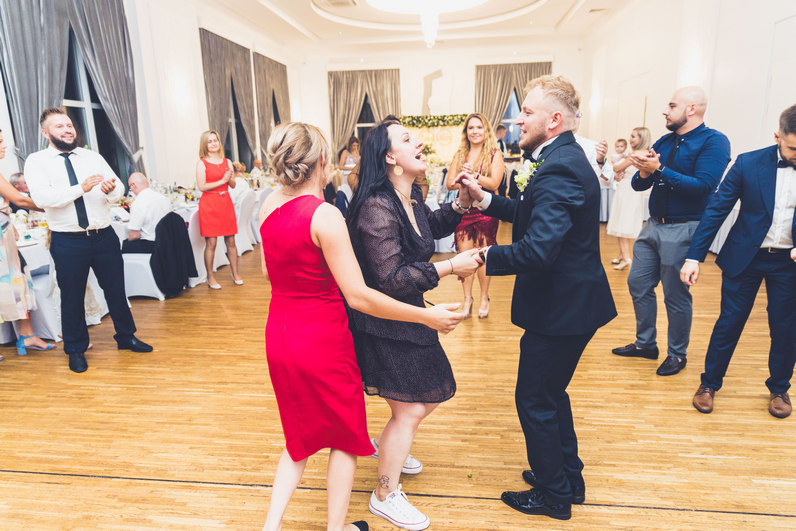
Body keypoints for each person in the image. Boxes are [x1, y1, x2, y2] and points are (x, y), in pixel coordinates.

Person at [258, 121, 466, 531]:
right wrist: (427, 316)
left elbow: (268, 272)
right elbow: (358, 296)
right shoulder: (325, 215)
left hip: (279, 333)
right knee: (344, 438)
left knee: (298, 441)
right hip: (322, 338)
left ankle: (271, 526)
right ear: (322, 160)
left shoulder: (268, 204)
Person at [457, 75, 616, 521]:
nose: (518, 119)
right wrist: (485, 200)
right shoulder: (556, 157)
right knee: (550, 394)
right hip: (568, 303)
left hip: (561, 308)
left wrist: (483, 256)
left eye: (527, 112)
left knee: (535, 399)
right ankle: (567, 477)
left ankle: (553, 495)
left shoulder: (560, 165)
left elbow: (538, 250)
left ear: (555, 118)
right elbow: (529, 212)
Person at [346, 117, 481, 530]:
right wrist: (450, 266)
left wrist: (460, 204)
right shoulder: (376, 207)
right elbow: (390, 279)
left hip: (409, 314)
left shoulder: (410, 196)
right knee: (410, 408)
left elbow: (428, 229)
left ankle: (390, 445)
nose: (418, 143)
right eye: (407, 139)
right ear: (390, 158)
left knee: (426, 396)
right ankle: (384, 495)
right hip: (383, 321)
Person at [681, 104, 796, 419]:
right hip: (746, 257)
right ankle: (709, 384)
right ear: (777, 136)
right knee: (730, 322)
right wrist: (694, 257)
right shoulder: (748, 163)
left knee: (786, 327)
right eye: (793, 148)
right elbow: (716, 209)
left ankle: (779, 388)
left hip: (788, 263)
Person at [612, 86, 731, 376]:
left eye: (672, 105)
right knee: (638, 284)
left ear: (692, 109)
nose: (665, 111)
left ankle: (677, 354)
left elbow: (704, 186)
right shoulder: (665, 141)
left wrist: (660, 170)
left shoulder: (714, 141)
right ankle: (645, 344)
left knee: (675, 295)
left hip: (684, 228)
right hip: (652, 226)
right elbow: (639, 184)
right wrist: (645, 170)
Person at [24, 108, 152, 373]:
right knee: (72, 297)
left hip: (103, 235)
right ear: (45, 133)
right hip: (68, 240)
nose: (67, 130)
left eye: (69, 125)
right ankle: (75, 349)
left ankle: (126, 336)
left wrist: (111, 190)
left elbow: (118, 189)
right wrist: (80, 189)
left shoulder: (92, 157)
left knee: (116, 290)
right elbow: (43, 199)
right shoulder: (37, 162)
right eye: (59, 126)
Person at [0, 130, 56, 361]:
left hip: (5, 236)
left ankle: (28, 335)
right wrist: (56, 206)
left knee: (18, 282)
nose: (3, 146)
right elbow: (19, 199)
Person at [445, 112, 505, 318]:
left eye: (479, 127)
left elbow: (494, 183)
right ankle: (467, 299)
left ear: (486, 130)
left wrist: (474, 175)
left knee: (483, 256)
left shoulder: (494, 154)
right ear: (466, 132)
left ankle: (484, 297)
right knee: (465, 257)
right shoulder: (460, 154)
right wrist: (464, 177)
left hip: (486, 210)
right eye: (471, 128)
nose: (475, 131)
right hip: (463, 211)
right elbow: (450, 183)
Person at [195, 130, 241, 289]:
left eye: (215, 140)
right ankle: (210, 277)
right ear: (205, 144)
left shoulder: (227, 161)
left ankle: (235, 274)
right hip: (209, 204)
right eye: (210, 141)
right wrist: (222, 180)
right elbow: (202, 186)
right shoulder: (202, 163)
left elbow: (232, 185)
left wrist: (230, 178)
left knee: (231, 241)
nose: (213, 143)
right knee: (212, 243)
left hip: (225, 202)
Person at [606, 128, 653, 270]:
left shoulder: (635, 154)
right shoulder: (646, 153)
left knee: (622, 223)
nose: (630, 139)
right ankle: (621, 255)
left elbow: (617, 167)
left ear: (641, 138)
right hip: (633, 190)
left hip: (628, 190)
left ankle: (627, 258)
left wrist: (614, 164)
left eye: (633, 137)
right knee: (625, 221)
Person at [122, 172, 171, 254]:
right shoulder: (163, 198)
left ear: (133, 185)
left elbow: (134, 235)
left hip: (152, 245)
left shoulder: (138, 203)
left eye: (130, 187)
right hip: (168, 242)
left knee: (122, 245)